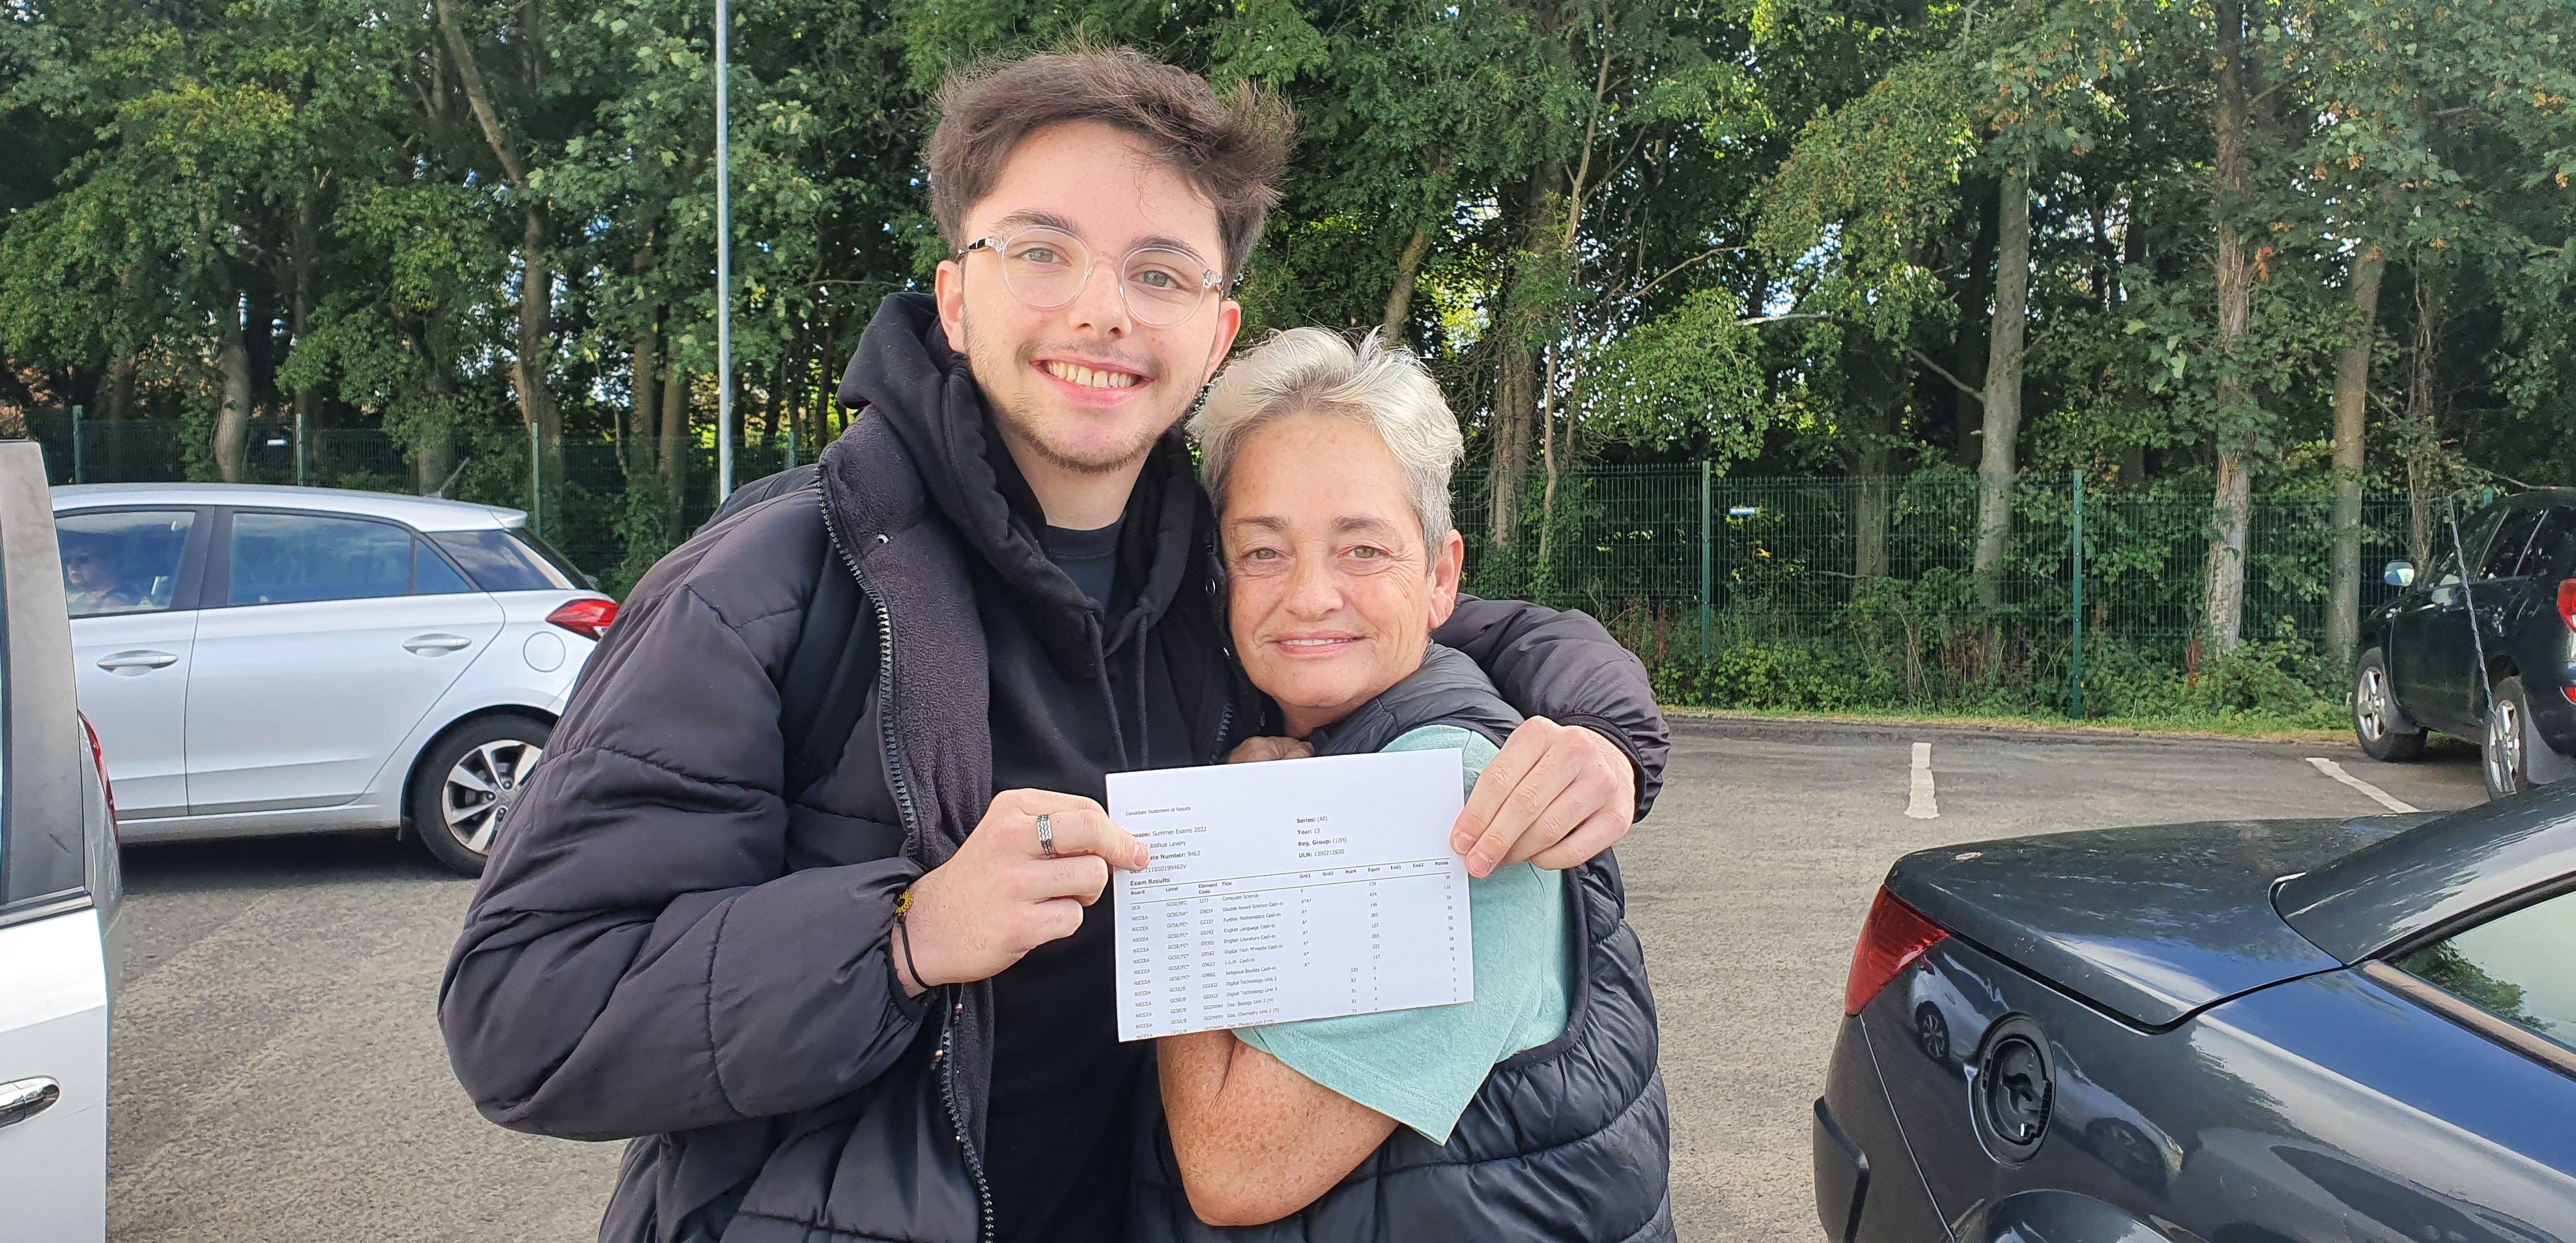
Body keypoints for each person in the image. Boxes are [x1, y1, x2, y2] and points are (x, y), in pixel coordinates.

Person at [437, 47, 1670, 1243]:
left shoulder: (1212, 581)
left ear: (1214, 327)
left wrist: (1609, 740)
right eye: (1042, 251)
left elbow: (1423, 625)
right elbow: (519, 1015)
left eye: (1160, 271)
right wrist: (905, 935)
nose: (1101, 309)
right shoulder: (772, 582)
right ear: (957, 293)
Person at [1137, 328, 1669, 1241]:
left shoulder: (1443, 798)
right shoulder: (1318, 739)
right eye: (1263, 552)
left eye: (1363, 551)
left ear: (1441, 577)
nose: (1308, 595)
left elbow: (1232, 1166)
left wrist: (1203, 843)